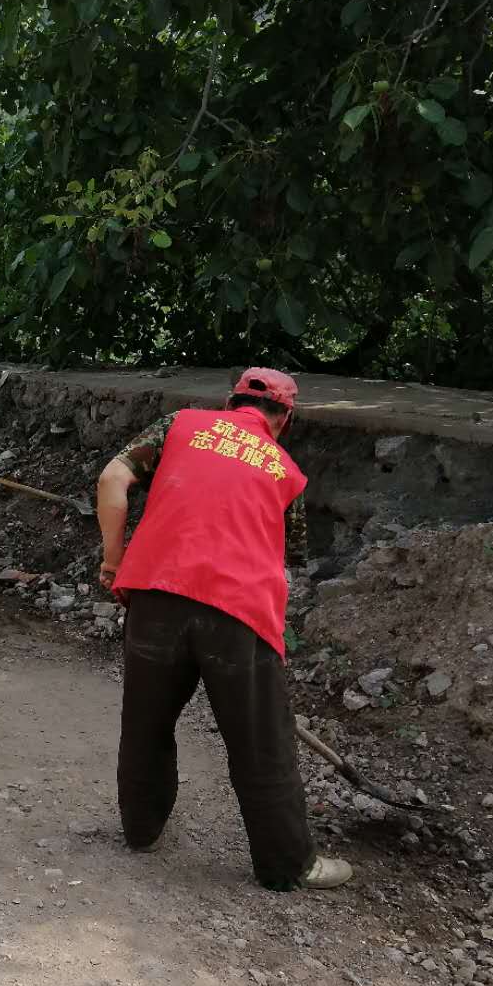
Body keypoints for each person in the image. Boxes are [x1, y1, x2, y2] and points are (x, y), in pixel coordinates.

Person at [95, 367, 352, 892]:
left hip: (155, 597)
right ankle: (288, 864)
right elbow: (290, 553)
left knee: (146, 721)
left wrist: (113, 560)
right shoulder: (286, 470)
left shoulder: (180, 425)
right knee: (262, 741)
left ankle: (141, 831)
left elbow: (112, 478)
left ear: (229, 402)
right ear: (285, 419)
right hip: (237, 614)